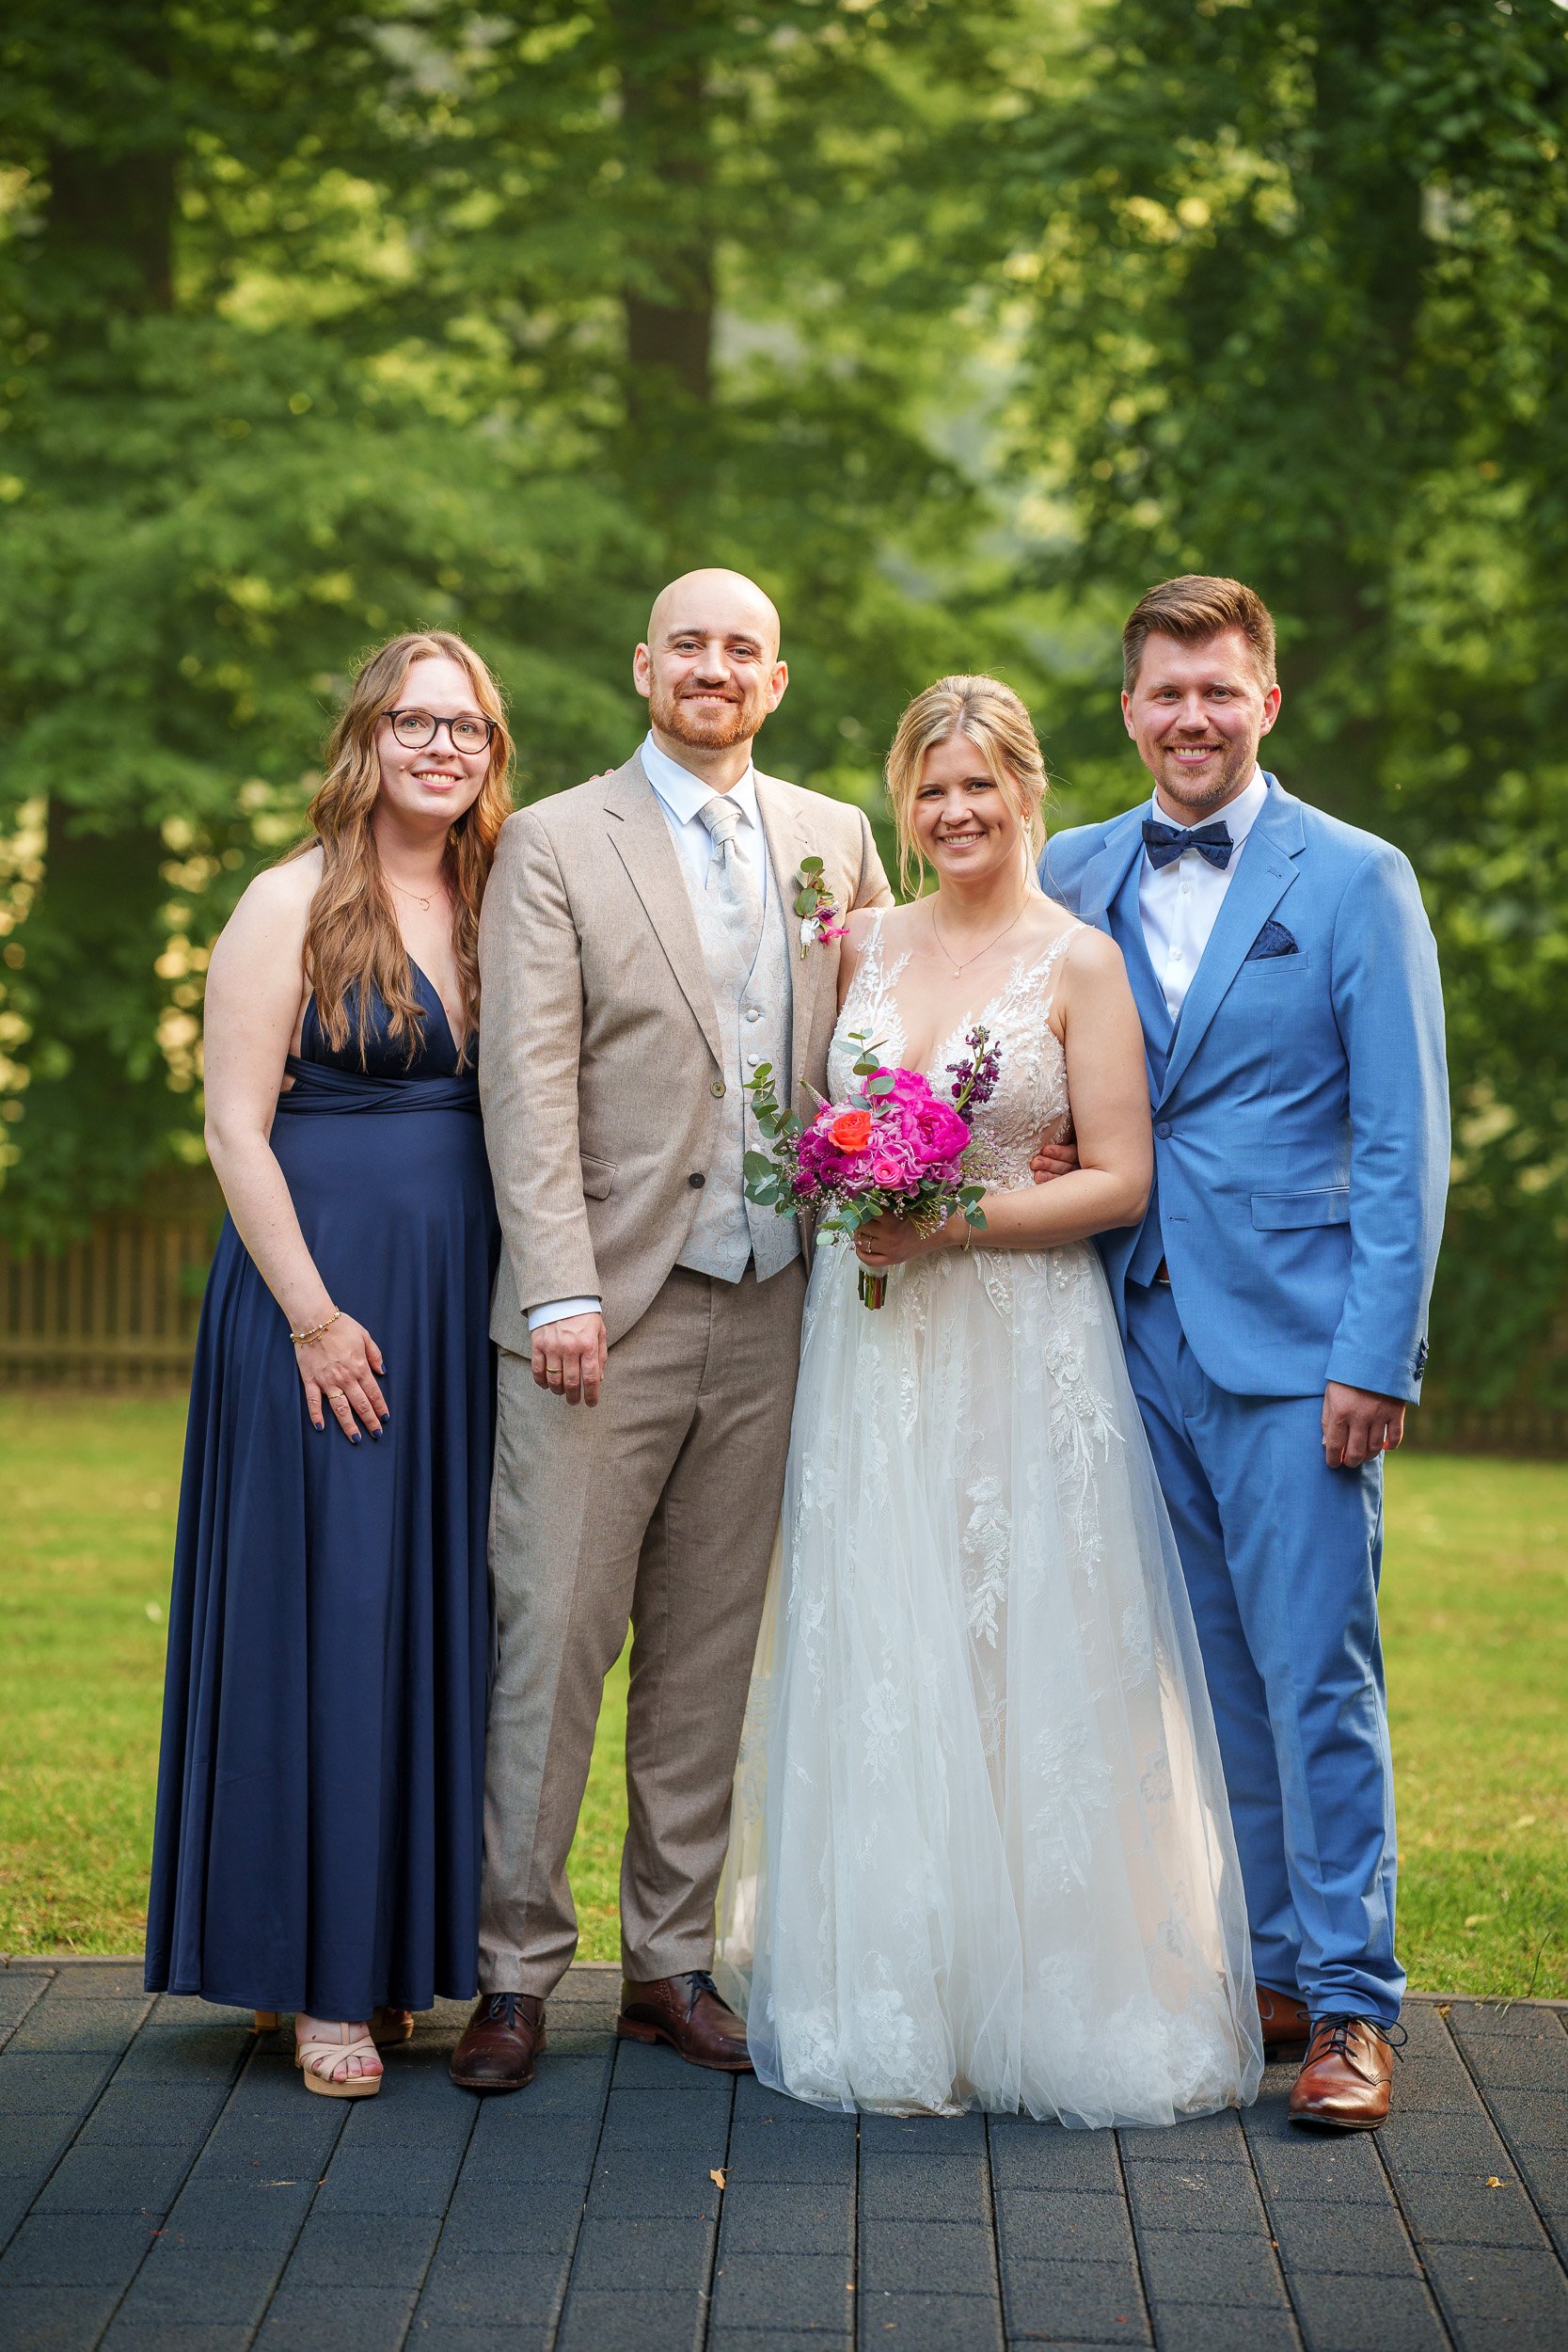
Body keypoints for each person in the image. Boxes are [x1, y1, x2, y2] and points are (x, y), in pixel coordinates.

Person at [716, 675, 1263, 2126]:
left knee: (1024, 1646)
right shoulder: (865, 947)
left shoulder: (1078, 965)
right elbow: (821, 1121)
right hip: (876, 1347)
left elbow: (1119, 1178)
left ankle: (1050, 1993)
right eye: (930, 791)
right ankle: (900, 1980)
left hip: (1022, 1342)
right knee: (887, 1634)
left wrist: (949, 1220)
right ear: (908, 804)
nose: (955, 813)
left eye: (980, 788)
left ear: (1029, 792)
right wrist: (854, 1181)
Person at [451, 568, 892, 2093]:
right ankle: (512, 1972)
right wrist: (559, 1288)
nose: (715, 667)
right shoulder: (559, 841)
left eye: (744, 650)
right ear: (645, 666)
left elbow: (882, 1045)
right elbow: (527, 1079)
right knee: (551, 1647)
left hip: (777, 1306)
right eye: (690, 643)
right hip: (602, 1317)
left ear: (778, 683)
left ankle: (669, 1964)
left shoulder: (837, 839)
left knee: (707, 1652)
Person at [1039, 577, 1449, 2131]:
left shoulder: (1355, 878)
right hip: (1118, 1329)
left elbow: (1407, 1137)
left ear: (1264, 702)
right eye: (1165, 693)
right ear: (1130, 709)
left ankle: (1353, 2005)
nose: (1192, 718)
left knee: (1314, 1675)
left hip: (1296, 1351)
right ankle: (1268, 1966)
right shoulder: (1070, 867)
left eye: (1220, 691)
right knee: (1200, 1685)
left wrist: (1379, 1354)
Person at [145, 630, 508, 2097]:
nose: (444, 748)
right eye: (418, 722)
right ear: (367, 734)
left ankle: (396, 1953)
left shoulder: (497, 902)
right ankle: (315, 1987)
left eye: (470, 728)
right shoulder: (285, 902)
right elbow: (236, 1125)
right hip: (325, 1312)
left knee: (429, 1618)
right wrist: (310, 1312)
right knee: (330, 1618)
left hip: (457, 1306)